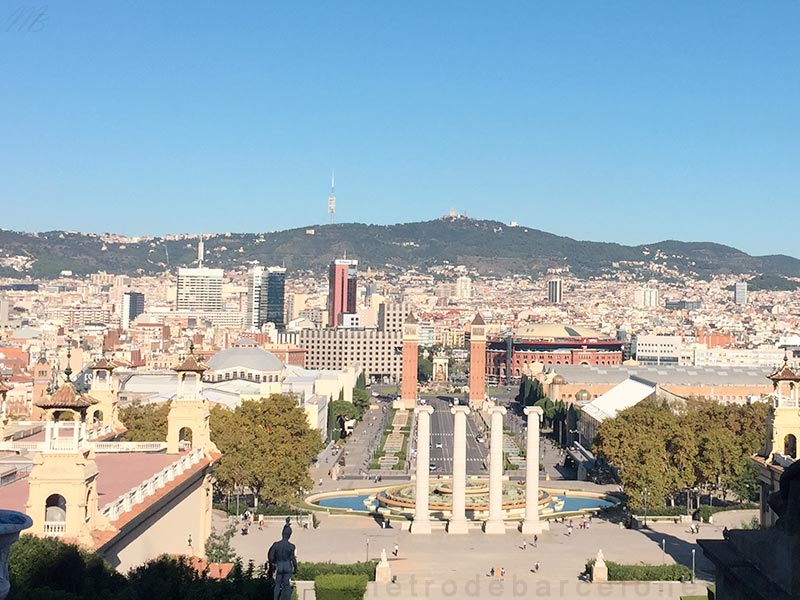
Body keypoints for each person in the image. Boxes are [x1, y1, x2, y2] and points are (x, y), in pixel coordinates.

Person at [267, 524, 298, 600]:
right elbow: (293, 558)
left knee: (277, 585)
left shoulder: (276, 545)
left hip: (280, 565)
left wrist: (273, 563)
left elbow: (270, 556)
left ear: (282, 534)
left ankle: (275, 598)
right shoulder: (291, 546)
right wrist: (296, 568)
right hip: (287, 566)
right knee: (286, 584)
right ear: (290, 535)